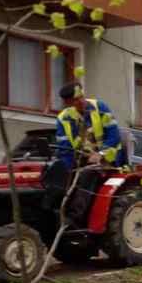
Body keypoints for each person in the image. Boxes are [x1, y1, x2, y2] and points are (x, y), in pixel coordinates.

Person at [54, 82, 126, 224]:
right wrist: (67, 169)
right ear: (67, 103)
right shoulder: (63, 119)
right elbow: (64, 148)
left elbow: (114, 136)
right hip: (82, 159)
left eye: (81, 97)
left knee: (87, 174)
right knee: (59, 173)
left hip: (108, 158)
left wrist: (100, 154)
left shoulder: (100, 108)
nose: (81, 101)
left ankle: (75, 217)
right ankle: (57, 211)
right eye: (76, 100)